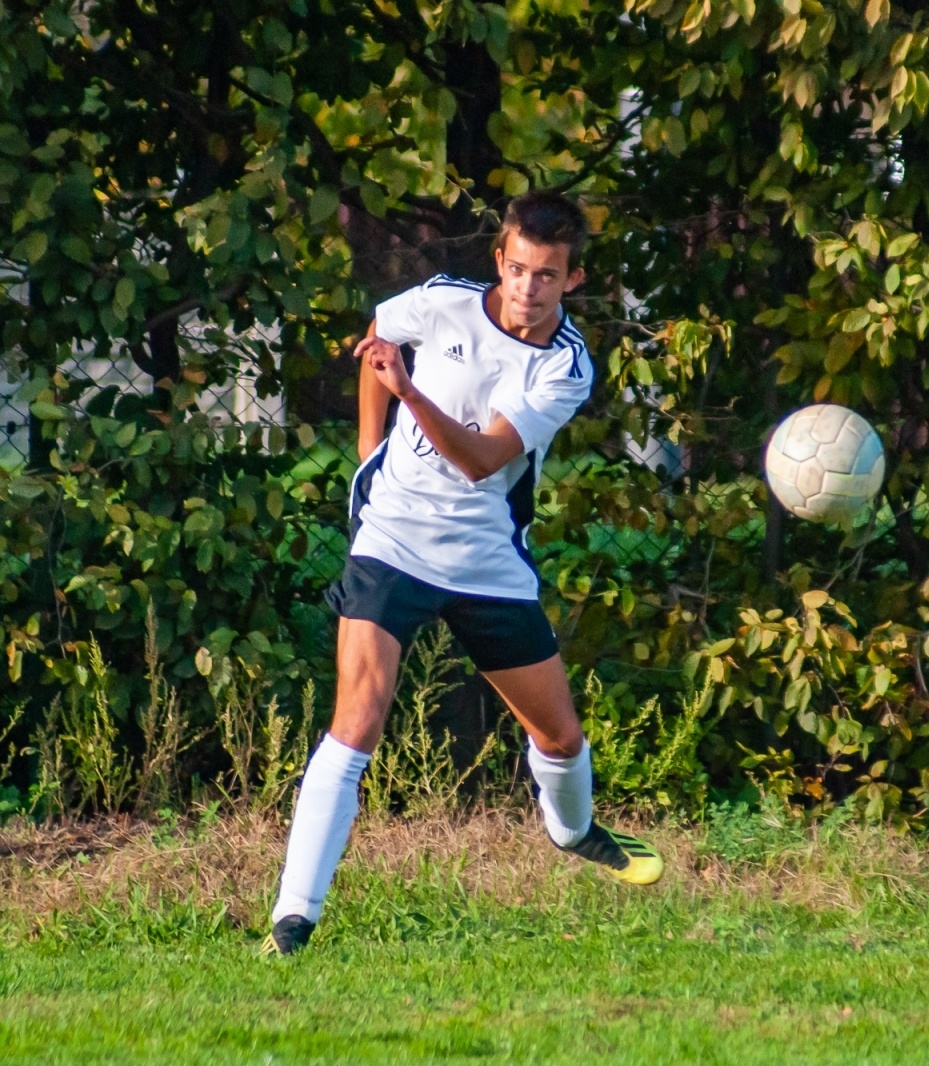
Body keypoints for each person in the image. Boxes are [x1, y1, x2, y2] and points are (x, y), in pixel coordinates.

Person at [262, 191, 662, 956]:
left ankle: (572, 830)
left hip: (486, 559)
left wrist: (407, 390)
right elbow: (382, 331)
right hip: (393, 540)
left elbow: (482, 461)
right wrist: (369, 449)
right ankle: (293, 919)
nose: (527, 289)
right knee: (358, 719)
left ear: (572, 281)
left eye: (547, 276)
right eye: (517, 269)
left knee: (562, 737)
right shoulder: (444, 302)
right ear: (499, 259)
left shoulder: (564, 367)